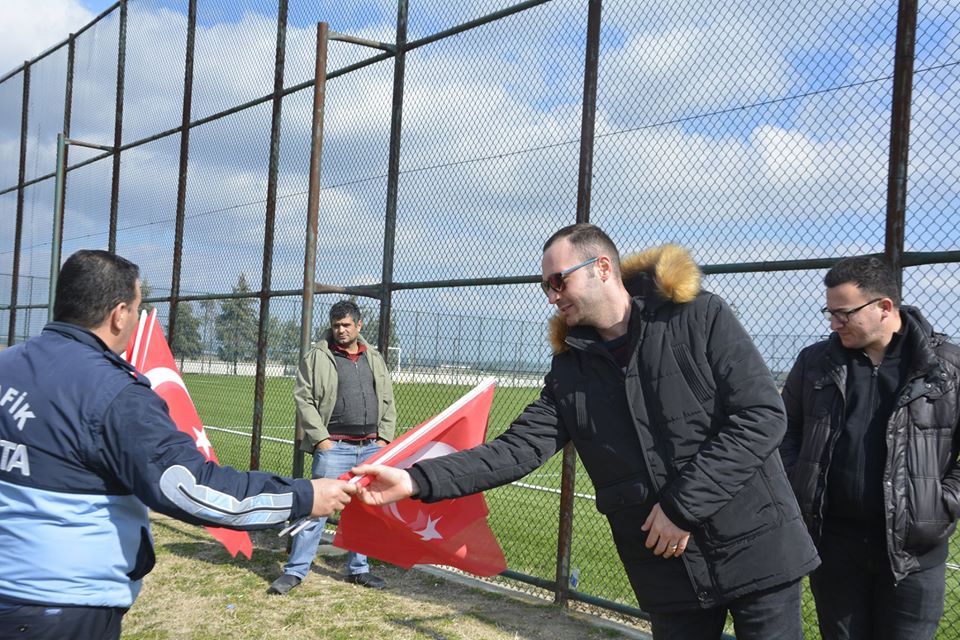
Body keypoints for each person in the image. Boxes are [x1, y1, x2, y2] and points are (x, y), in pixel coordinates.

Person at [352, 223, 819, 639]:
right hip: (666, 569)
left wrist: (680, 508)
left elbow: (761, 417)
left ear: (601, 268)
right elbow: (517, 449)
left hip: (757, 546)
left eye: (559, 281)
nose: (552, 296)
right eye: (545, 287)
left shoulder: (698, 316)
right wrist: (415, 479)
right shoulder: (569, 371)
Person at [0, 250, 356, 639]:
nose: (136, 321)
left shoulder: (9, 365)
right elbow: (188, 487)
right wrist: (303, 496)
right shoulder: (115, 393)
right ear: (119, 314)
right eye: (137, 310)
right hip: (59, 608)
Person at [780, 255, 960, 640]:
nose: (833, 324)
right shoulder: (816, 362)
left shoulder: (946, 368)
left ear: (884, 307)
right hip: (835, 546)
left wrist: (940, 501)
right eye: (829, 313)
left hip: (913, 554)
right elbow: (785, 430)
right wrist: (799, 479)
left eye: (843, 313)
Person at [267, 300, 396, 595]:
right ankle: (295, 571)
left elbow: (387, 399)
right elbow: (304, 399)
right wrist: (322, 440)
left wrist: (384, 438)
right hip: (334, 447)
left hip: (370, 448)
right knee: (315, 510)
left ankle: (358, 569)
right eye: (336, 325)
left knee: (364, 511)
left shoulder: (373, 357)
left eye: (346, 325)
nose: (340, 330)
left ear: (359, 326)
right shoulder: (317, 356)